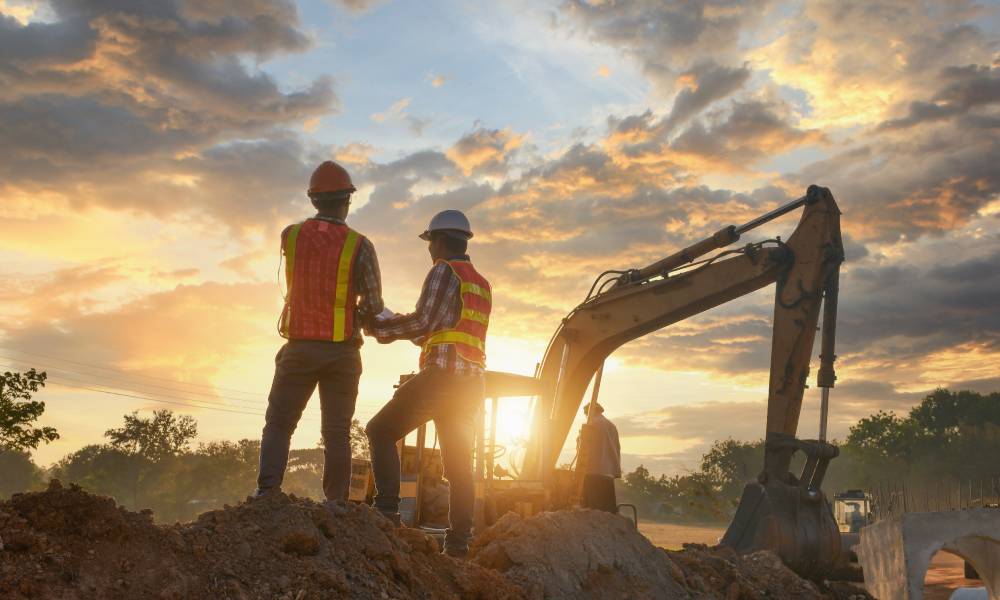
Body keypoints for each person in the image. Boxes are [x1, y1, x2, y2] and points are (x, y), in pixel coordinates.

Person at [254, 160, 384, 502]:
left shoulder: (291, 235)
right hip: (342, 351)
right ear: (348, 201)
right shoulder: (361, 245)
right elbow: (372, 305)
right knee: (337, 433)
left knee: (279, 424)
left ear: (313, 200)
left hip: (299, 348)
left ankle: (267, 494)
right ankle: (336, 505)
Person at [365, 209, 490, 558]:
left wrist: (379, 327)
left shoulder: (442, 271)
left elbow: (423, 322)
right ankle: (459, 544)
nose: (429, 249)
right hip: (471, 385)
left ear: (439, 241)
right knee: (459, 464)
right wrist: (404, 328)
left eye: (430, 241)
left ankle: (387, 512)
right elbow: (444, 331)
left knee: (379, 431)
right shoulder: (479, 282)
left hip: (442, 379)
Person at [578, 402, 621, 513]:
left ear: (590, 411)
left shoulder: (590, 424)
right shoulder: (612, 426)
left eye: (586, 414)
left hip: (592, 472)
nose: (586, 416)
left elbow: (582, 447)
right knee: (607, 510)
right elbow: (617, 448)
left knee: (592, 509)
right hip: (608, 474)